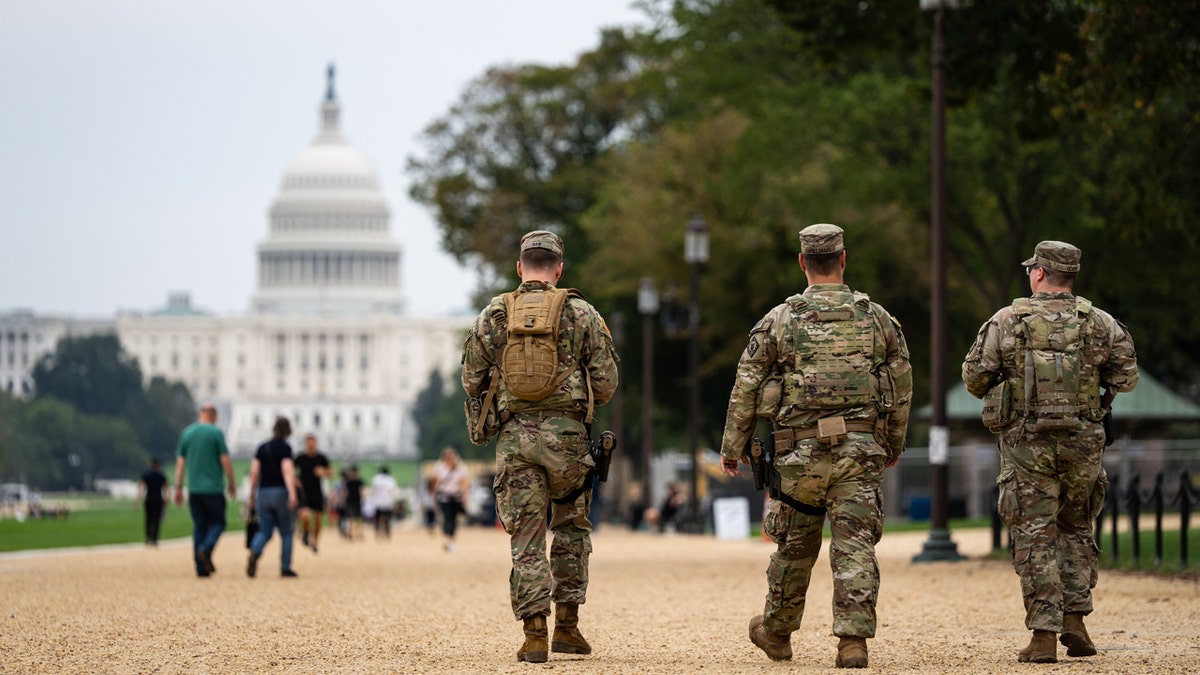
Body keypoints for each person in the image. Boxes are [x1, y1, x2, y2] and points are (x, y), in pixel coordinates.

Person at [718, 224, 912, 669]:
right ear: (843, 260)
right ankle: (852, 643)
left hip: (798, 456)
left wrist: (733, 447)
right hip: (860, 452)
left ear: (803, 263)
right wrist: (894, 443)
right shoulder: (878, 318)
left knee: (794, 546)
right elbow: (901, 388)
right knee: (855, 545)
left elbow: (745, 386)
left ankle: (778, 632)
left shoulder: (780, 320)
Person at [962, 240, 1138, 663]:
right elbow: (1127, 375)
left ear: (1039, 273)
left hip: (1027, 444)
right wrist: (1097, 394)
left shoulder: (1007, 320)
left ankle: (1043, 634)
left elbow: (974, 378)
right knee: (1076, 527)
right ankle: (1076, 621)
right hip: (1083, 440)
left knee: (1035, 533)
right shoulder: (1100, 323)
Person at [461, 230, 619, 663]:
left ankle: (534, 635)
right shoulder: (583, 313)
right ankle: (568, 628)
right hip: (567, 441)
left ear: (519, 267)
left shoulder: (495, 314)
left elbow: (472, 381)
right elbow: (605, 386)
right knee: (570, 528)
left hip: (515, 440)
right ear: (559, 268)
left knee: (525, 537)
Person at [173, 402, 237, 578]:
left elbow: (180, 463)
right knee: (218, 522)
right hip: (213, 488)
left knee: (199, 525)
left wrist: (178, 487)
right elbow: (225, 460)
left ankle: (200, 568)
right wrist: (232, 483)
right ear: (214, 415)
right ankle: (206, 549)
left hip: (194, 489)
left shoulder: (187, 433)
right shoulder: (215, 433)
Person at [246, 416, 300, 578]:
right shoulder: (285, 448)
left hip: (263, 492)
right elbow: (287, 471)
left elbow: (254, 473)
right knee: (287, 532)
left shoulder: (262, 447)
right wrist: (292, 493)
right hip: (280, 492)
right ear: (288, 431)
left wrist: (251, 495)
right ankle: (285, 566)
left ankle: (255, 551)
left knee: (264, 530)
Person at [294, 434, 331, 553]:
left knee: (318, 519)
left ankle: (315, 541)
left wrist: (323, 472)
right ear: (305, 444)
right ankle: (305, 532)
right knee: (304, 515)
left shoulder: (321, 458)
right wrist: (295, 480)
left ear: (316, 444)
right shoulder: (300, 458)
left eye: (313, 443)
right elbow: (290, 470)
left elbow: (331, 472)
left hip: (317, 491)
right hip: (304, 491)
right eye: (308, 443)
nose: (311, 445)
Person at [432, 446, 469, 553]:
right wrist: (434, 496)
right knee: (447, 518)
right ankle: (447, 539)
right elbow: (436, 483)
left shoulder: (461, 468)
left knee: (454, 519)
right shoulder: (439, 467)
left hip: (456, 497)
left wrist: (465, 499)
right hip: (444, 497)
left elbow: (464, 485)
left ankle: (450, 540)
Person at [137, 458, 168, 547]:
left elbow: (141, 485)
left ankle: (148, 537)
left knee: (148, 519)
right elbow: (166, 487)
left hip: (149, 499)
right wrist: (166, 498)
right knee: (157, 520)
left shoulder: (147, 474)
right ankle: (154, 539)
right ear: (157, 465)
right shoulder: (160, 475)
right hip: (158, 499)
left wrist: (138, 498)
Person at [371, 465, 399, 539]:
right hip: (388, 502)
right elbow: (393, 491)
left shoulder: (376, 479)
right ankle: (387, 531)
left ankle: (377, 530)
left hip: (378, 502)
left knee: (377, 518)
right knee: (388, 518)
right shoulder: (391, 480)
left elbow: (374, 490)